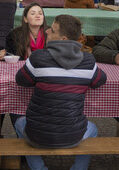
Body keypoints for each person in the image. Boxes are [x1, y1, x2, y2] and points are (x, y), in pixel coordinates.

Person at [14, 14, 107, 170]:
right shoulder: (88, 61)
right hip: (73, 135)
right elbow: (100, 81)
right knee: (93, 128)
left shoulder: (38, 58)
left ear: (63, 39)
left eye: (53, 30)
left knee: (19, 122)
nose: (47, 31)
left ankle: (39, 168)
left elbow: (21, 80)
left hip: (38, 134)